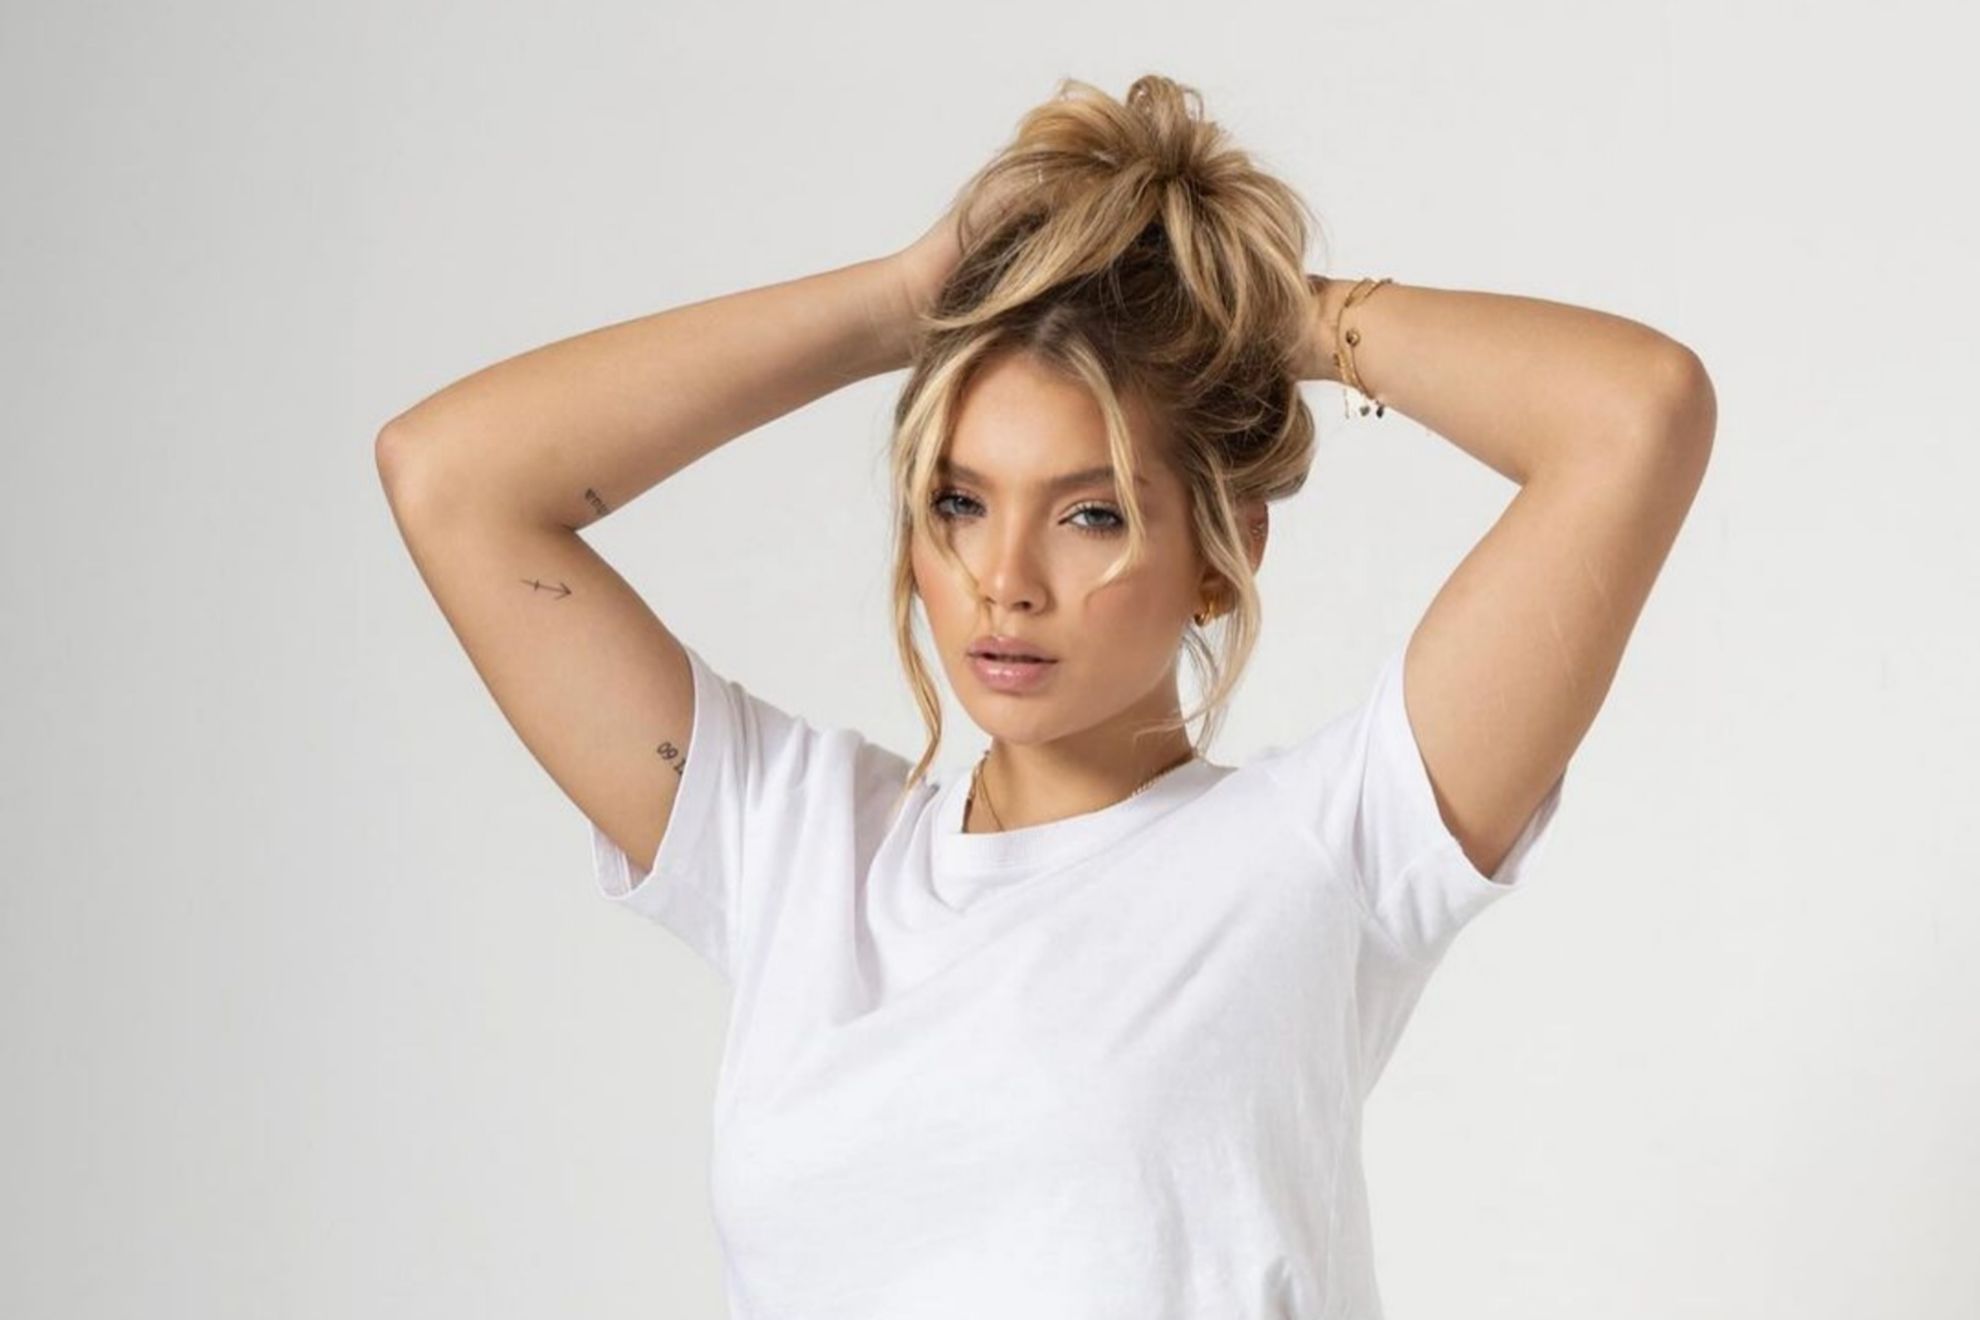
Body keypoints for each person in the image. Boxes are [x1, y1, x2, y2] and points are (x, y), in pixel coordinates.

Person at [376, 73, 1713, 1320]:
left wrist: (1268, 312)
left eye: (1091, 512)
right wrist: (905, 303)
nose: (1003, 581)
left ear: (1224, 554)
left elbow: (1635, 413)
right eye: (959, 502)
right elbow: (451, 478)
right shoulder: (795, 847)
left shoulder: (1331, 851)